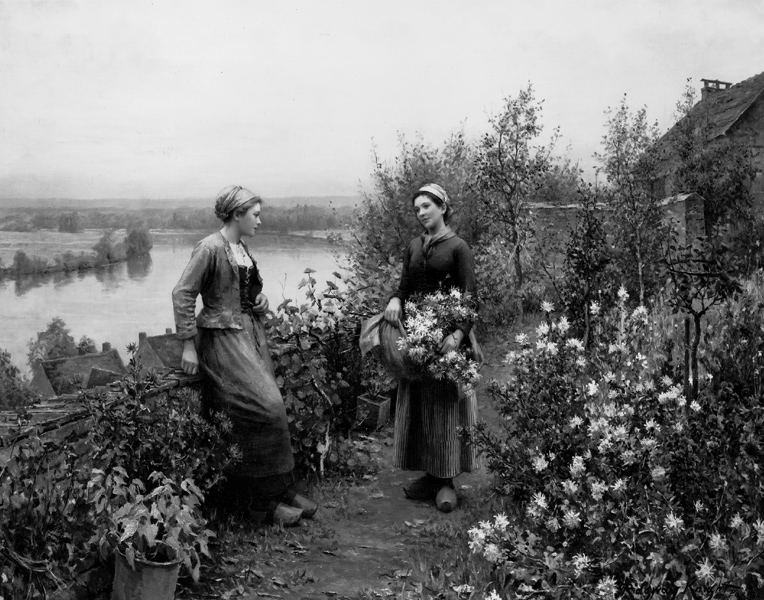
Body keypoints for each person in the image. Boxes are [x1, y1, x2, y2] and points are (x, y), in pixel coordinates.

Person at [172, 185, 317, 526]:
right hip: (221, 341)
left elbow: (247, 291)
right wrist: (188, 344)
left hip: (249, 336)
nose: (260, 221)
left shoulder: (241, 248)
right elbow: (182, 293)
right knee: (267, 407)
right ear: (237, 215)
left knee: (272, 409)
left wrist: (260, 299)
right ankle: (258, 503)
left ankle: (281, 489)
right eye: (255, 215)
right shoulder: (209, 248)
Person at [383, 183, 480, 513]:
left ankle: (447, 480)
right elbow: (404, 286)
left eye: (427, 206)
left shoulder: (458, 247)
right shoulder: (414, 246)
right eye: (417, 209)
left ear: (443, 207)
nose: (421, 213)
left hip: (446, 338)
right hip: (417, 336)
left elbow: (470, 299)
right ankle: (429, 474)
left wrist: (458, 335)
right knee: (421, 405)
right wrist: (396, 300)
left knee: (445, 407)